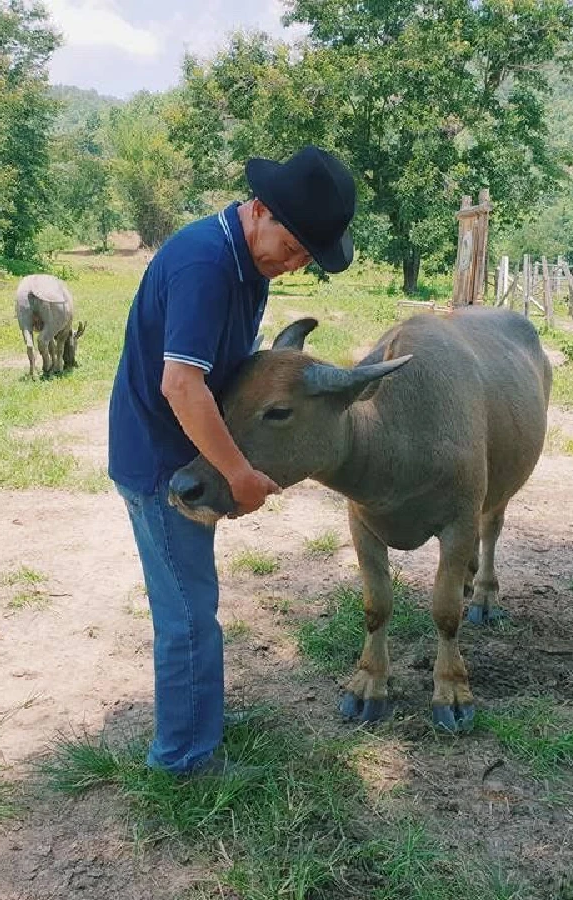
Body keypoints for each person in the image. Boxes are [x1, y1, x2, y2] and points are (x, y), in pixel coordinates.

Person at [108, 145, 357, 776]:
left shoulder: (245, 265)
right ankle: (185, 760)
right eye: (292, 246)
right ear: (260, 209)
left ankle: (198, 719)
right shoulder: (205, 264)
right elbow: (182, 387)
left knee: (196, 602)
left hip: (193, 454)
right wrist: (241, 475)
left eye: (306, 258)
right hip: (167, 461)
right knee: (188, 614)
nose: (292, 263)